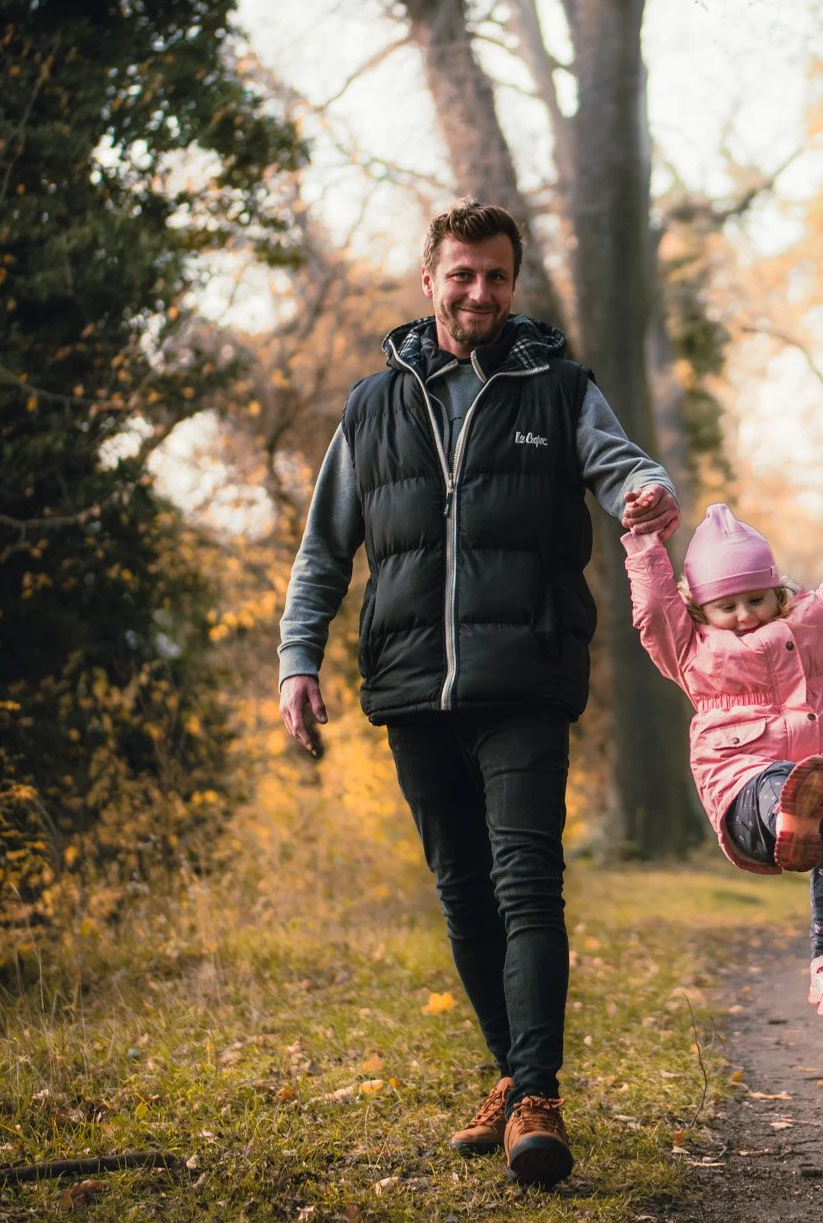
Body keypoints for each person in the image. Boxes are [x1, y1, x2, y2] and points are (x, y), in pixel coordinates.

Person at [275, 199, 678, 1186]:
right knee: (461, 894)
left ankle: (535, 1096)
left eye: (496, 276)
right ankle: (513, 1074)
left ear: (512, 284)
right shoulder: (372, 407)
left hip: (525, 677)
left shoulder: (558, 389)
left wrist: (645, 493)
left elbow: (623, 468)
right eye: (462, 274)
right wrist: (297, 660)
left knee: (525, 882)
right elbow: (325, 548)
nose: (479, 292)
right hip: (411, 685)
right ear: (429, 282)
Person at [622, 492, 823, 1013]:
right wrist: (645, 543)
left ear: (778, 593)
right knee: (780, 784)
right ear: (700, 609)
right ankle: (787, 811)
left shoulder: (815, 625)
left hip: (822, 777)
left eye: (756, 600)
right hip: (742, 784)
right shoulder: (689, 650)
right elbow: (655, 609)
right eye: (726, 607)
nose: (745, 615)